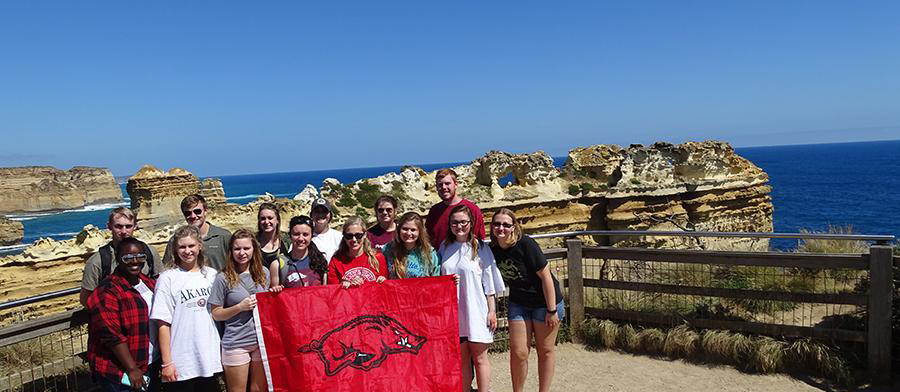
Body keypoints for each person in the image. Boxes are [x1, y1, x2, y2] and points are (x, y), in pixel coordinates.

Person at [489, 208, 564, 392]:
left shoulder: (525, 244)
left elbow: (546, 276)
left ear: (514, 227)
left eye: (506, 224)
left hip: (544, 303)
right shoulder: (492, 249)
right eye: (497, 224)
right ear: (491, 227)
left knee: (545, 351)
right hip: (519, 303)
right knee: (519, 352)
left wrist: (552, 310)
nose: (501, 228)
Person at [439, 205, 504, 392]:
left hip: (477, 310)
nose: (459, 226)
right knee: (462, 360)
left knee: (480, 358)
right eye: (455, 222)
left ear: (470, 223)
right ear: (450, 225)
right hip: (455, 313)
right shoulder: (445, 247)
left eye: (463, 222)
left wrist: (492, 311)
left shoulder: (481, 248)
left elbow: (489, 283)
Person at [151, 225, 222, 391]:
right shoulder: (167, 278)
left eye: (191, 246)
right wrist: (167, 362)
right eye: (182, 247)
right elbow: (163, 323)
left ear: (200, 246)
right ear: (175, 249)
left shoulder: (211, 275)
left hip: (209, 357)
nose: (187, 251)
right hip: (182, 361)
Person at [86, 237, 160, 392]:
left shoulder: (148, 283)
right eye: (128, 257)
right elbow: (111, 334)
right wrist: (131, 368)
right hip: (121, 371)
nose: (135, 261)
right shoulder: (107, 291)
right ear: (118, 259)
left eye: (140, 256)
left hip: (148, 363)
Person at [209, 229, 278, 392]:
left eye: (246, 248)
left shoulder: (264, 273)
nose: (242, 253)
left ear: (254, 249)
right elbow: (216, 313)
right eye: (237, 249)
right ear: (231, 251)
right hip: (236, 342)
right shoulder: (222, 278)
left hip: (261, 342)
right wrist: (239, 307)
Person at [81, 207, 162, 307]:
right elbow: (86, 299)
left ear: (135, 226)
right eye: (118, 227)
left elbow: (160, 285)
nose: (124, 231)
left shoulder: (149, 252)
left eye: (128, 226)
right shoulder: (97, 261)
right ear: (109, 226)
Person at [163, 194, 232, 272]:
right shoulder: (175, 241)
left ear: (205, 211)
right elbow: (167, 268)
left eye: (197, 211)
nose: (193, 216)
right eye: (188, 213)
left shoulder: (223, 237)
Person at [425, 169, 485, 248]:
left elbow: (480, 239)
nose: (443, 187)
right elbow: (427, 238)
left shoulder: (472, 209)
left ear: (455, 185)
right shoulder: (434, 211)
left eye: (447, 183)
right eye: (440, 185)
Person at [327, 216, 388, 288]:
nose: (354, 240)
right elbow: (333, 290)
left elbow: (385, 288)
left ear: (365, 235)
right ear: (344, 236)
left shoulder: (377, 257)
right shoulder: (336, 261)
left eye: (358, 235)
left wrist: (383, 280)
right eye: (349, 236)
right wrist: (344, 285)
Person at [270, 216, 329, 288]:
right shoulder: (277, 265)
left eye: (305, 234)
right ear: (290, 236)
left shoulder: (320, 261)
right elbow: (273, 297)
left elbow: (325, 293)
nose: (301, 238)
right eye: (296, 234)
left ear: (312, 236)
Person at [383, 212, 440, 279]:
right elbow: (381, 273)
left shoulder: (430, 253)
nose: (408, 233)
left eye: (413, 230)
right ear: (399, 230)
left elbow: (436, 281)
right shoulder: (388, 249)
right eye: (405, 229)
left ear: (420, 232)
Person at [255, 203, 290, 269]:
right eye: (263, 219)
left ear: (277, 220)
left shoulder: (287, 241)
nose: (266, 222)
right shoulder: (253, 241)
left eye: (270, 218)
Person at [309, 197, 342, 262]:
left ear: (330, 215)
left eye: (324, 211)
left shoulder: (339, 237)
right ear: (311, 215)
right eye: (317, 212)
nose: (321, 214)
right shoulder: (304, 237)